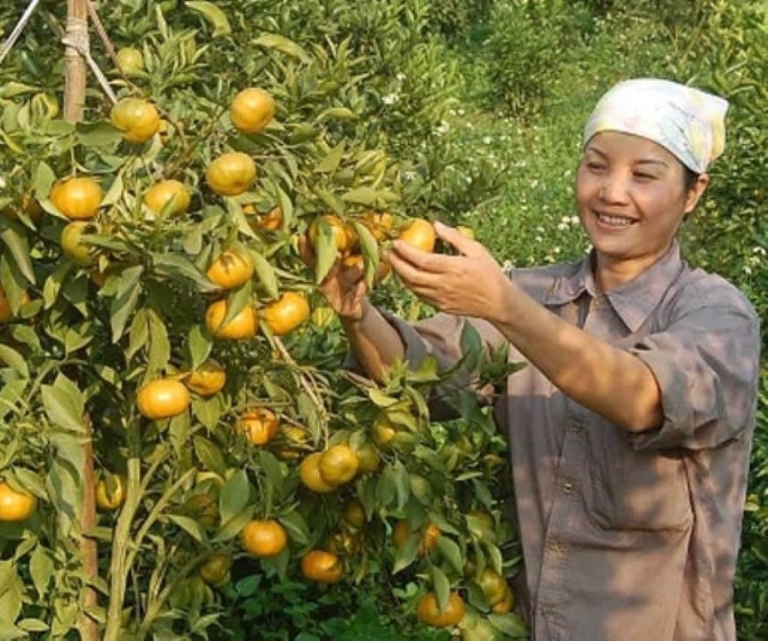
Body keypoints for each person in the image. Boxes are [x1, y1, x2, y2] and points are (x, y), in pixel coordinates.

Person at [305, 79, 761, 640]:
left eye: (644, 175)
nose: (612, 193)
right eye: (596, 166)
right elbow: (417, 377)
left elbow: (642, 397)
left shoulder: (717, 314)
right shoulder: (534, 292)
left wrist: (504, 306)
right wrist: (356, 312)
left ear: (693, 193)